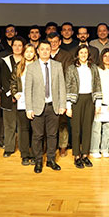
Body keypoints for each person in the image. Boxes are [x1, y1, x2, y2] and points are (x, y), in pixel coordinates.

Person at [25, 40, 67, 173]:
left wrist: (62, 104)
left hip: (53, 106)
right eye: (42, 49)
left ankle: (51, 160)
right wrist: (29, 108)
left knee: (52, 135)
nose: (44, 51)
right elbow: (28, 89)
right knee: (37, 136)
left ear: (51, 50)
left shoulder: (57, 65)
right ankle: (38, 161)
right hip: (37, 107)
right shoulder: (31, 67)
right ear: (38, 51)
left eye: (47, 49)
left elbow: (62, 86)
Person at [65, 45, 103, 169]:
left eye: (85, 52)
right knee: (76, 129)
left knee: (87, 128)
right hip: (76, 100)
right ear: (77, 54)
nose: (83, 55)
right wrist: (68, 106)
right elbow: (68, 86)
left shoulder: (93, 68)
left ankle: (85, 155)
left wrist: (98, 103)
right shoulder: (71, 68)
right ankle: (77, 156)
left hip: (89, 100)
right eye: (81, 52)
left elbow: (97, 84)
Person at [7, 43, 36, 164]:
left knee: (35, 129)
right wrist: (14, 93)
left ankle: (34, 154)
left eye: (31, 51)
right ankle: (25, 154)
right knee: (23, 128)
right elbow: (13, 81)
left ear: (35, 53)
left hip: (36, 102)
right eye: (27, 51)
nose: (29, 54)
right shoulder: (18, 66)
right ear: (23, 53)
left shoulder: (39, 66)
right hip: (22, 102)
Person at [91, 48, 109, 158]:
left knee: (108, 128)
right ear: (101, 57)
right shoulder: (97, 70)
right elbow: (94, 87)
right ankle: (94, 150)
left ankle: (104, 149)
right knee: (96, 128)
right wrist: (96, 103)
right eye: (105, 56)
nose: (107, 58)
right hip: (99, 103)